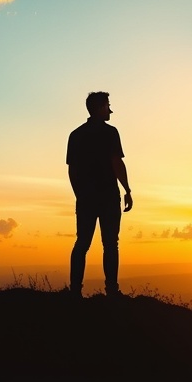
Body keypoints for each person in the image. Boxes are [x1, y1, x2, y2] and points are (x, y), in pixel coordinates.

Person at [66, 91, 133, 297]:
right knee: (110, 244)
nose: (110, 110)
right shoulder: (110, 133)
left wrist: (80, 194)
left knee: (82, 243)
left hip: (86, 197)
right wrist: (127, 190)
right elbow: (116, 162)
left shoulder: (76, 135)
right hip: (108, 196)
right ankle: (112, 290)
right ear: (99, 108)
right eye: (107, 106)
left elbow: (72, 170)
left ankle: (75, 291)